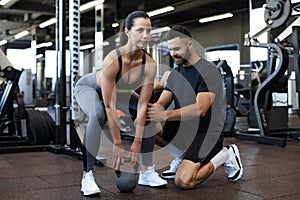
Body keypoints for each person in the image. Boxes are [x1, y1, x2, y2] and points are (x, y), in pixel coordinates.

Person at [75, 11, 167, 196]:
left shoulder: (149, 63)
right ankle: (87, 175)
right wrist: (117, 144)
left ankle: (147, 172)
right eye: (140, 30)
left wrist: (137, 142)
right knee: (98, 114)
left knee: (147, 112)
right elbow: (110, 107)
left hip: (122, 92)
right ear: (127, 32)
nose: (145, 35)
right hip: (90, 87)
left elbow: (142, 104)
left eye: (148, 31)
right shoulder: (114, 60)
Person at [147, 25, 243, 189]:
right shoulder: (176, 73)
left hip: (206, 133)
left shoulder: (208, 71)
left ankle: (226, 155)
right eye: (170, 49)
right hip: (185, 130)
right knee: (145, 126)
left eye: (177, 48)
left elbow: (201, 109)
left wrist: (165, 116)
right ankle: (182, 157)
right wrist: (144, 109)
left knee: (184, 181)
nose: (173, 54)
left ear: (189, 44)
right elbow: (161, 104)